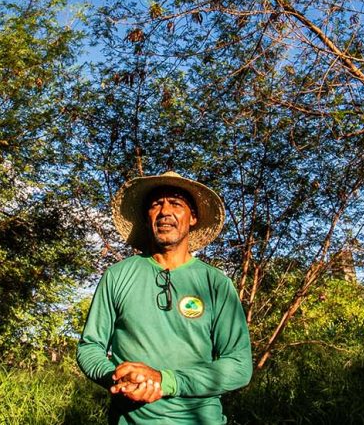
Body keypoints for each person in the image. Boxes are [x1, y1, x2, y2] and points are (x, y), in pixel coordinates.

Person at [77, 171, 253, 424]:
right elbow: (90, 346)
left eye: (177, 204)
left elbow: (238, 366)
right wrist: (117, 378)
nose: (165, 211)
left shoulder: (216, 284)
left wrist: (165, 380)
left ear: (192, 218)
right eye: (156, 205)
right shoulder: (118, 276)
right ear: (147, 217)